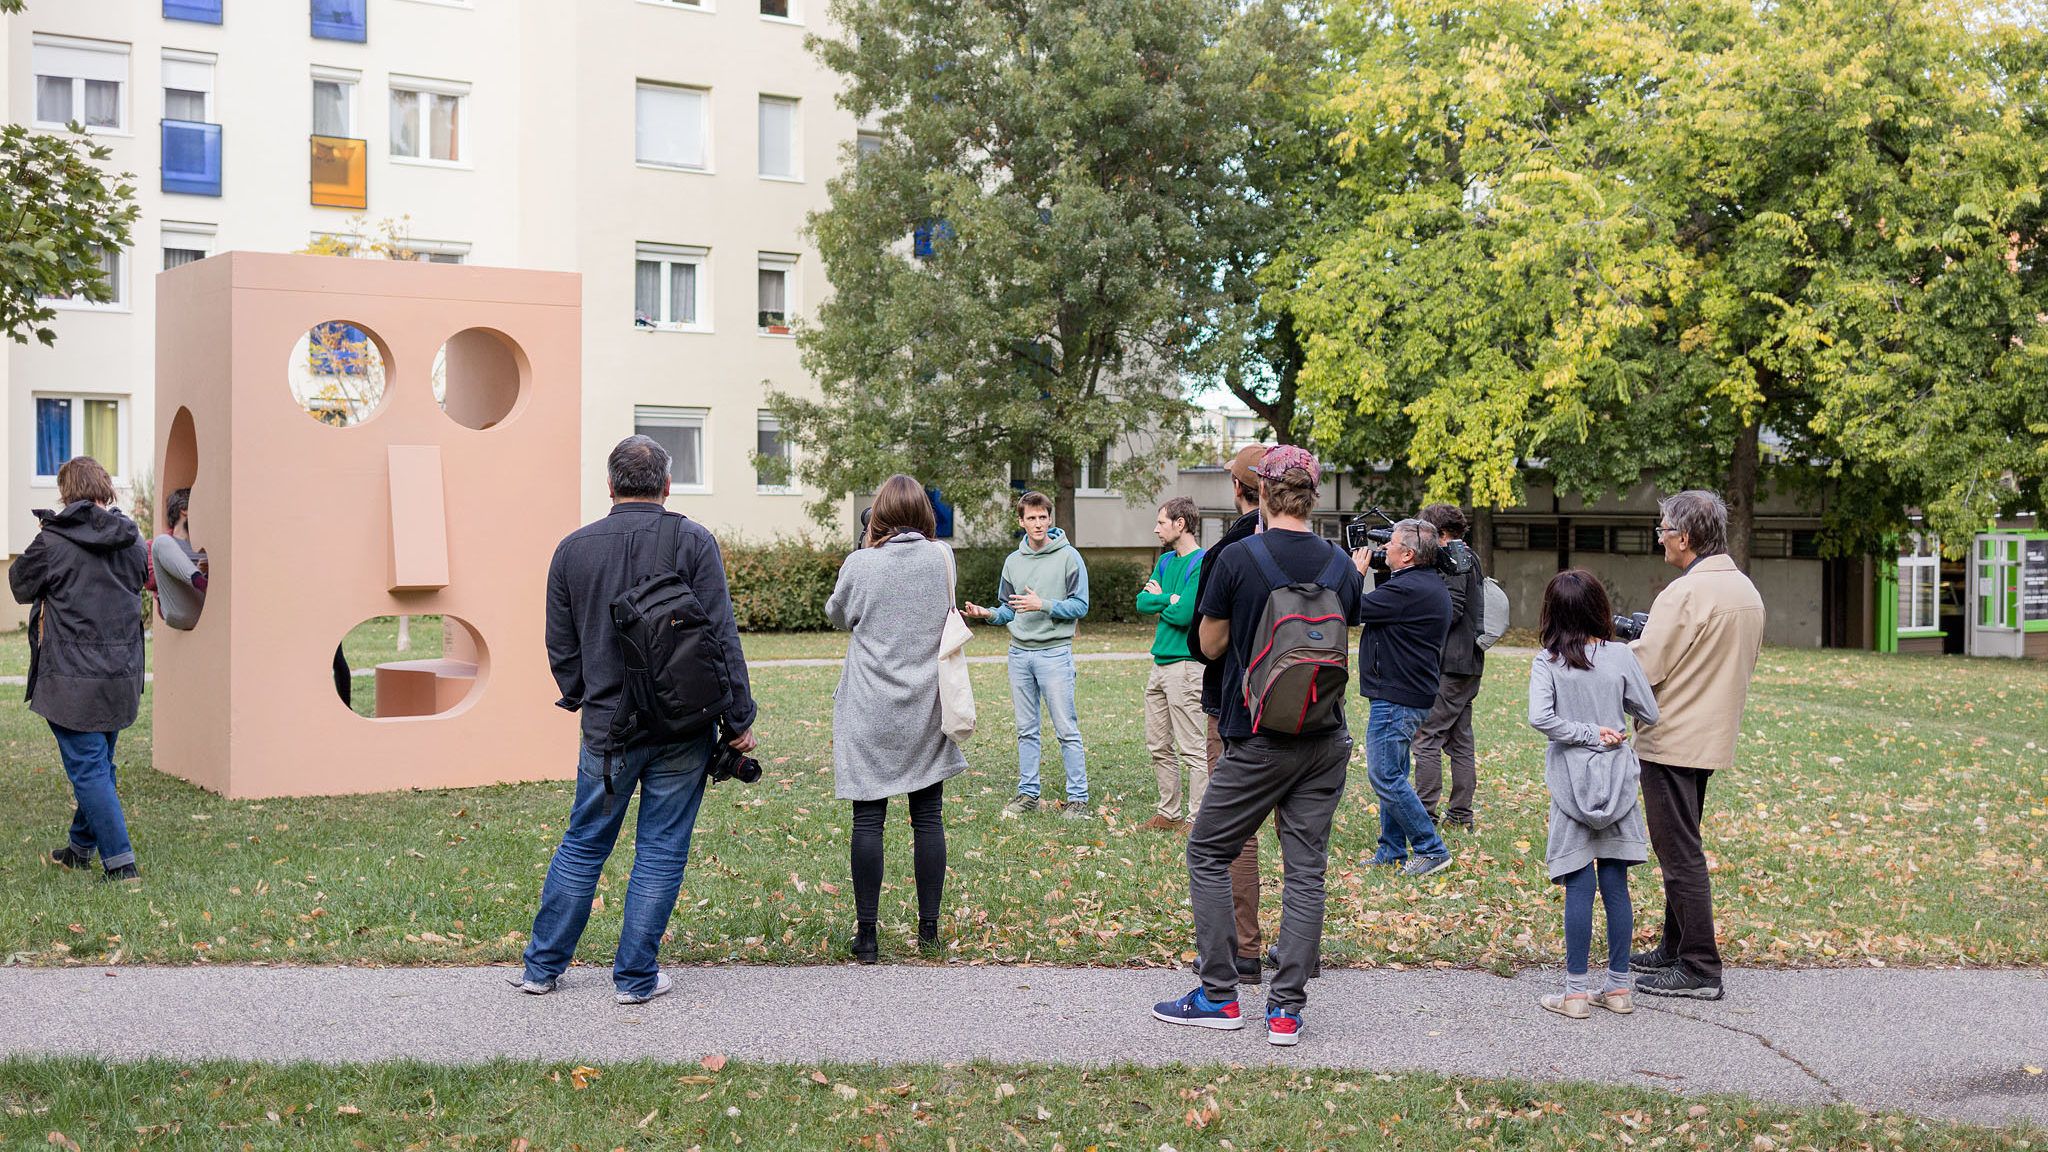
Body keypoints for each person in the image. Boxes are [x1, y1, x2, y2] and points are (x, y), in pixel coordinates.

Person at [512, 435, 758, 1005]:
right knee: (662, 849)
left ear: (610, 486)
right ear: (667, 487)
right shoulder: (693, 541)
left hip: (607, 728)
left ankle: (541, 968)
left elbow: (560, 644)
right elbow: (720, 636)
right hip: (682, 729)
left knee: (583, 843)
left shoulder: (571, 550)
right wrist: (738, 717)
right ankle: (635, 979)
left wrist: (584, 695)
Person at [1155, 444, 1361, 1047]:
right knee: (1306, 872)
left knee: (1208, 850)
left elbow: (1211, 647)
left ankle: (1220, 995)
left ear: (1263, 494)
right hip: (1326, 737)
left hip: (1258, 736)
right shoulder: (1342, 566)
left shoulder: (1239, 558)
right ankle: (1285, 1012)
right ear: (1313, 496)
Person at [824, 475, 968, 964]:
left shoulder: (860, 564)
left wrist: (863, 549)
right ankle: (928, 929)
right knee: (927, 817)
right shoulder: (942, 557)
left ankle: (867, 936)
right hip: (926, 704)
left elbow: (837, 614)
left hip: (870, 707)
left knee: (869, 819)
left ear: (878, 515)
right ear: (925, 515)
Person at [1628, 490, 1765, 1001]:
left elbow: (1646, 669)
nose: (1660, 537)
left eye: (1663, 529)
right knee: (1682, 844)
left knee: (1678, 851)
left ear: (1684, 538)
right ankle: (1675, 945)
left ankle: (1701, 965)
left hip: (1672, 738)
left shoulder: (1684, 594)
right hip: (1710, 735)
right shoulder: (1744, 589)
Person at [1528, 570, 1659, 1019]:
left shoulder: (1547, 661)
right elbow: (1650, 711)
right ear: (1600, 608)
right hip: (1619, 780)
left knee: (1578, 886)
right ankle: (1619, 988)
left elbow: (1539, 717)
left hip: (1570, 785)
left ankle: (1575, 994)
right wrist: (1607, 725)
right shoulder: (1620, 656)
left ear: (1552, 611)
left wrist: (1582, 732)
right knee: (1616, 884)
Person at [11, 457, 148, 881]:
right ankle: (79, 848)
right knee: (99, 766)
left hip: (72, 680)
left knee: (90, 771)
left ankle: (121, 865)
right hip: (121, 675)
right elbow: (138, 582)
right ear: (105, 489)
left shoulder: (53, 542)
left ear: (65, 493)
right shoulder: (133, 540)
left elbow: (19, 584)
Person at [1186, 445, 1272, 984]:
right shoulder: (1322, 550)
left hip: (1236, 707)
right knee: (1304, 839)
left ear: (1239, 489)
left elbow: (1205, 644)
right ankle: (1302, 951)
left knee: (1236, 833)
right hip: (1308, 709)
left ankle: (1245, 949)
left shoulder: (1229, 551)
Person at [962, 492, 1092, 819]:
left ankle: (1078, 799)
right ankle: (1028, 794)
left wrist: (1043, 604)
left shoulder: (1069, 557)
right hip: (1019, 656)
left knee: (1066, 729)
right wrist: (988, 614)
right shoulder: (1013, 562)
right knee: (1026, 729)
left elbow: (1081, 606)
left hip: (1054, 655)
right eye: (1031, 518)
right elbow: (1009, 609)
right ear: (1021, 522)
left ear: (1050, 519)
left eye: (1042, 517)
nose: (1037, 523)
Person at [1352, 518, 1456, 876]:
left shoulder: (1410, 589)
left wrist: (1356, 573)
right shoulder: (1419, 583)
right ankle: (1392, 849)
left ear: (1408, 555)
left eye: (1391, 543)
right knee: (1394, 770)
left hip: (1398, 695)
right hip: (1406, 691)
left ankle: (1431, 849)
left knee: (1384, 775)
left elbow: (1354, 610)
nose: (1384, 549)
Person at [1411, 504, 1486, 831]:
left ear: (1440, 534)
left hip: (1452, 665)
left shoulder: (1456, 561)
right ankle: (1459, 815)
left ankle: (1426, 814)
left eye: (1425, 533)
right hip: (1465, 663)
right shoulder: (1465, 557)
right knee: (1459, 741)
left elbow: (1451, 610)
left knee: (1426, 737)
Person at [1135, 496, 1206, 830]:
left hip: (1187, 666)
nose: (1155, 528)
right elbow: (1141, 602)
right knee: (1158, 745)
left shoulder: (1202, 562)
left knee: (1192, 747)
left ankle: (1197, 819)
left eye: (1161, 522)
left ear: (1181, 524)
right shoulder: (1165, 562)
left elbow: (1185, 614)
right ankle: (1169, 813)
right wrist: (1168, 598)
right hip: (1160, 663)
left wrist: (1163, 601)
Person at [150, 487, 207, 631]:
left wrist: (204, 571)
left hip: (205, 605)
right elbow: (151, 582)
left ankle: (200, 579)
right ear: (184, 510)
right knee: (160, 542)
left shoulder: (205, 543)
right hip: (179, 608)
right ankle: (199, 579)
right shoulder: (165, 544)